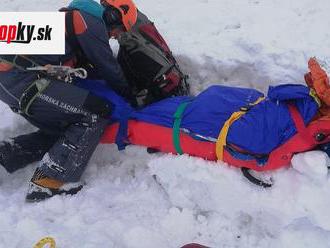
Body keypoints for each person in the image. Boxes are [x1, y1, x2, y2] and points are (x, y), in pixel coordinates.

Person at [0, 0, 133, 202]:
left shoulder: (70, 20)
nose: (115, 35)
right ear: (112, 15)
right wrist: (131, 96)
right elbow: (108, 68)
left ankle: (8, 153)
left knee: (67, 126)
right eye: (119, 29)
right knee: (94, 113)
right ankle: (49, 181)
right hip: (19, 80)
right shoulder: (91, 23)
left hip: (12, 80)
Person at [100, 0, 190, 106]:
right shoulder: (136, 23)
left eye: (112, 30)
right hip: (164, 81)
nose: (110, 35)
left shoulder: (136, 44)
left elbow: (163, 81)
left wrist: (136, 101)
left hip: (167, 94)